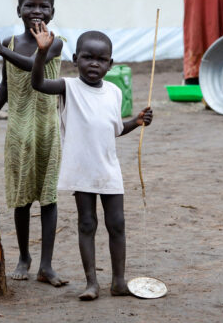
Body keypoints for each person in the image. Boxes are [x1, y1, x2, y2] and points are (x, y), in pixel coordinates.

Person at [30, 23, 153, 301]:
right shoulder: (68, 87)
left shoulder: (114, 92)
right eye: (87, 57)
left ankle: (119, 282)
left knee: (117, 223)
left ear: (110, 64)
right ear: (75, 60)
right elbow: (37, 84)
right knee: (87, 224)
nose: (94, 64)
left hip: (108, 169)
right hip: (81, 169)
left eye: (101, 59)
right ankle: (92, 283)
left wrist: (137, 121)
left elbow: (114, 129)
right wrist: (42, 52)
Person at [0, 0, 67, 286]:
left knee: (48, 197)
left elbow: (33, 65)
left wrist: (1, 51)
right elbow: (5, 87)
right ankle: (23, 257)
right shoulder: (11, 43)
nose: (37, 11)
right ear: (19, 10)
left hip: (46, 129)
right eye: (30, 5)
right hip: (18, 130)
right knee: (21, 198)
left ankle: (46, 265)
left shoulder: (55, 42)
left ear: (52, 12)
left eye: (44, 6)